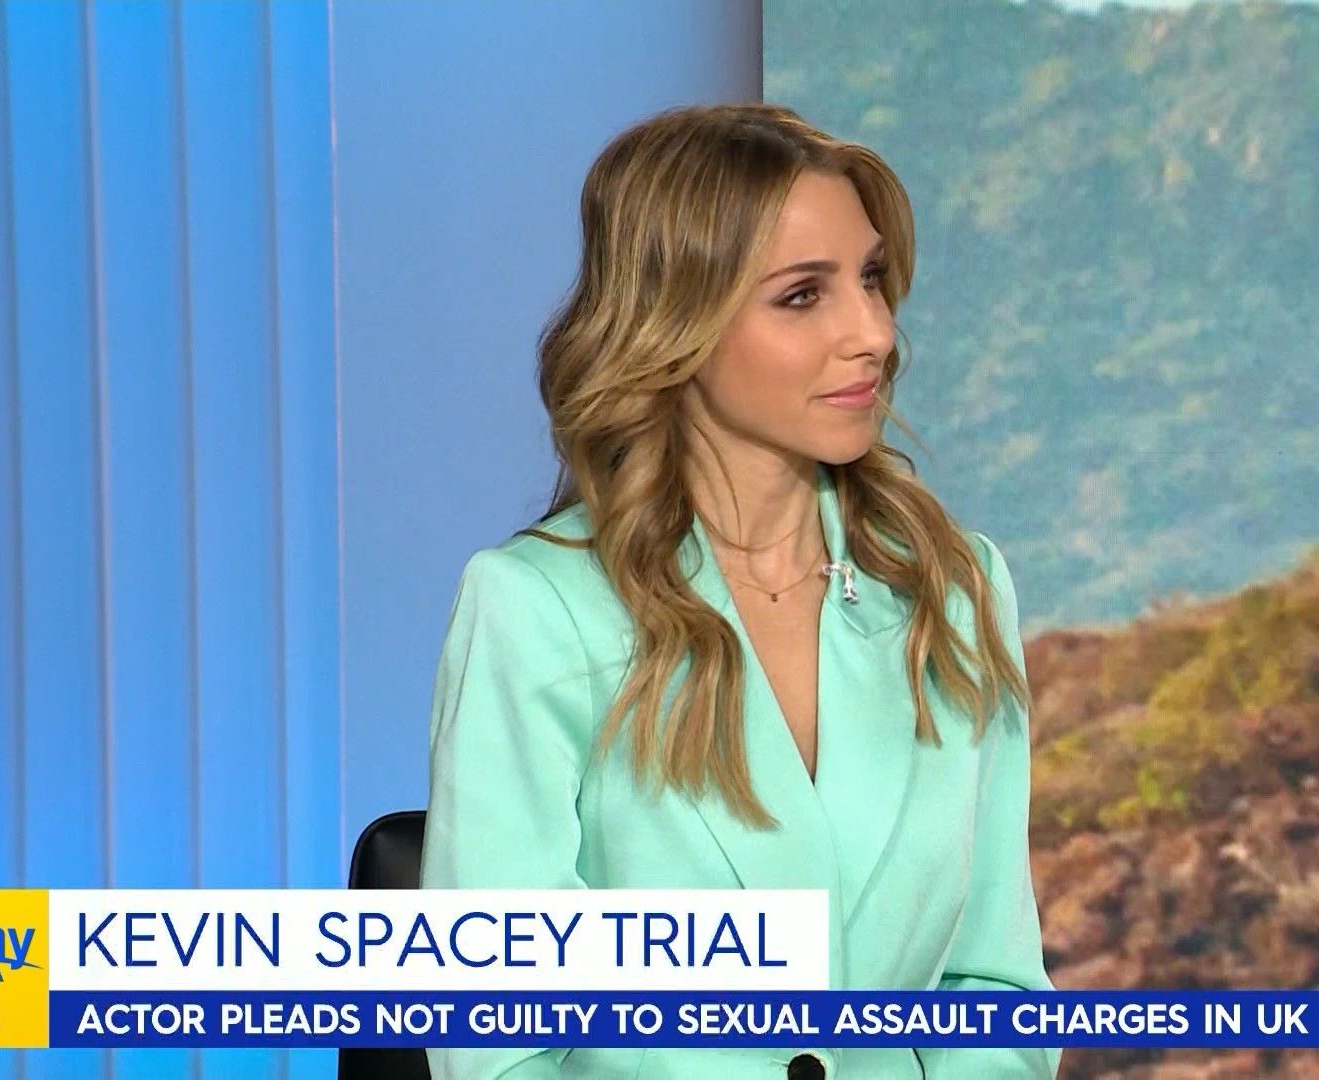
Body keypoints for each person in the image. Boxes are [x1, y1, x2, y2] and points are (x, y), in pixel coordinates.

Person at [421, 102, 1060, 1080]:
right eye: (803, 296)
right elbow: (498, 1052)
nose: (874, 333)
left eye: (871, 279)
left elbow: (996, 995)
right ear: (678, 323)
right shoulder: (536, 611)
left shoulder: (955, 591)